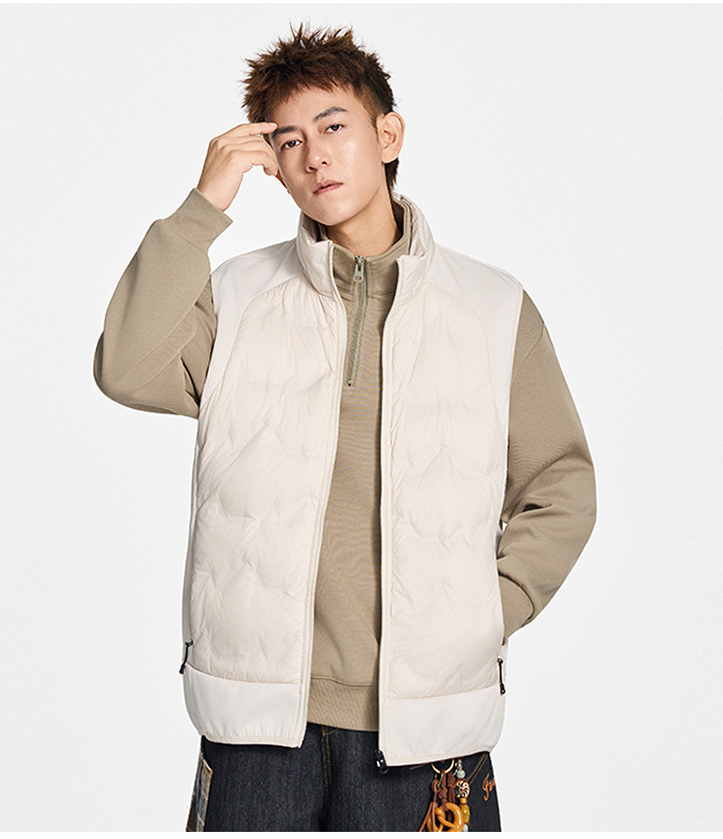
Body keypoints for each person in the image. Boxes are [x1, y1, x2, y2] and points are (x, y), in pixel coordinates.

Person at [94, 23, 596, 832]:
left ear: (388, 135)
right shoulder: (239, 298)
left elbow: (561, 484)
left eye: (333, 126)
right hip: (258, 727)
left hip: (428, 730)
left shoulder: (492, 308)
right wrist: (201, 208)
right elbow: (124, 366)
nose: (314, 156)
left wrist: (484, 611)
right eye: (288, 141)